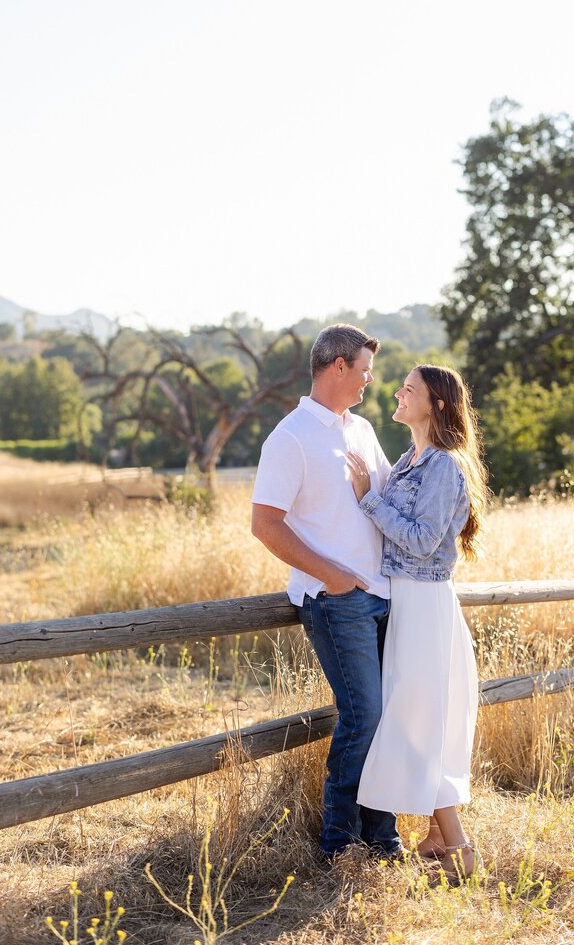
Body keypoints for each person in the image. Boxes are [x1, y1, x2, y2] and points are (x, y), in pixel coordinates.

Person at [251, 323, 401, 860]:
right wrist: (332, 577)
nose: (368, 380)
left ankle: (382, 838)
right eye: (363, 370)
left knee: (387, 719)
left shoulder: (361, 429)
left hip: (385, 596)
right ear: (338, 366)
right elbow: (265, 524)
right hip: (338, 602)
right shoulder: (289, 437)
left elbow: (387, 494)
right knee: (365, 717)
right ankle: (339, 843)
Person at [345, 363, 486, 882]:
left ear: (437, 404)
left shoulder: (443, 466)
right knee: (418, 716)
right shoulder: (410, 457)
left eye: (410, 389)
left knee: (416, 719)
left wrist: (367, 499)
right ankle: (435, 836)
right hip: (405, 600)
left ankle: (460, 846)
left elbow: (424, 540)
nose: (399, 393)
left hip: (425, 603)